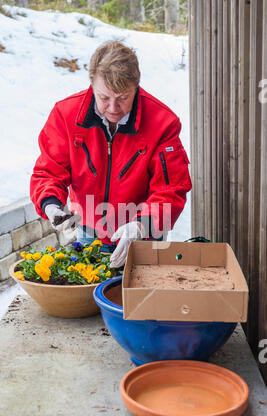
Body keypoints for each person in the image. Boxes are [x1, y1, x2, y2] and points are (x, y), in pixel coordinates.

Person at [30, 41, 192, 268]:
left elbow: (170, 189)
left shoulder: (163, 123)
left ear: (136, 86)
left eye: (123, 98)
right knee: (89, 300)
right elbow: (49, 170)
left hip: (143, 236)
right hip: (89, 233)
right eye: (104, 98)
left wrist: (141, 226)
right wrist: (51, 204)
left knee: (143, 300)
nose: (113, 108)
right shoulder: (65, 116)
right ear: (92, 84)